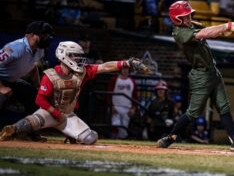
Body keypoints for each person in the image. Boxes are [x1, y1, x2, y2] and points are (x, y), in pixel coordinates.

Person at [0, 41, 148, 144]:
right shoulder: (51, 75)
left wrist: (126, 63)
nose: (78, 59)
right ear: (64, 56)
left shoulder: (83, 72)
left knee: (90, 138)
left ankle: (71, 134)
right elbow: (40, 100)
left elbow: (104, 67)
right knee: (27, 124)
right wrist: (55, 113)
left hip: (68, 115)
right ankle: (14, 131)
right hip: (49, 113)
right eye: (74, 56)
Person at [156, 0, 234, 152]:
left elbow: (211, 32)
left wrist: (224, 30)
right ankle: (170, 137)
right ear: (177, 19)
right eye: (185, 16)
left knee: (224, 107)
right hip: (200, 75)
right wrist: (225, 26)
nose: (188, 18)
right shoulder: (179, 33)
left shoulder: (192, 24)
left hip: (213, 72)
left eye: (189, 15)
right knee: (193, 113)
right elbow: (204, 33)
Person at [0, 21, 53, 122]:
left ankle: (27, 131)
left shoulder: (40, 49)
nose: (47, 38)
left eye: (48, 35)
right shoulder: (15, 48)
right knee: (1, 98)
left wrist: (38, 86)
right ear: (32, 35)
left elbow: (33, 67)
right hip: (1, 80)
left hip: (13, 81)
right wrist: (1, 87)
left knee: (37, 98)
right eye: (44, 35)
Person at [107, 65, 138, 139]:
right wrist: (111, 106)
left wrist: (133, 108)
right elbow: (108, 94)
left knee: (124, 130)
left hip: (127, 108)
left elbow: (135, 96)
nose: (125, 70)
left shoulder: (132, 81)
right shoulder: (114, 79)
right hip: (115, 107)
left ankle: (121, 144)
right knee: (114, 126)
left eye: (127, 69)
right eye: (123, 68)